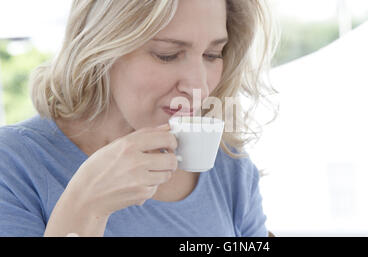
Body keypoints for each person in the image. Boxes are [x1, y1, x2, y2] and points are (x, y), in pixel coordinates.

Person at [0, 0, 279, 237]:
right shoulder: (14, 165)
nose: (199, 87)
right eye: (167, 55)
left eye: (212, 54)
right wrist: (85, 204)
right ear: (101, 47)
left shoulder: (229, 168)